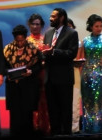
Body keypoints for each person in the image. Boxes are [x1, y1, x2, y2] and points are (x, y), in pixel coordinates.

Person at [42, 7, 79, 136]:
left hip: (64, 78)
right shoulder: (48, 33)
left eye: (53, 16)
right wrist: (41, 54)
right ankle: (55, 132)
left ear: (61, 17)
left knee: (65, 108)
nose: (50, 18)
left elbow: (71, 53)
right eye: (50, 16)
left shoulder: (71, 33)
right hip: (49, 77)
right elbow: (45, 52)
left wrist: (54, 52)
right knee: (52, 109)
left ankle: (66, 134)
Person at [3, 24, 42, 136]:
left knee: (27, 109)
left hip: (28, 84)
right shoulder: (7, 49)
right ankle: (14, 133)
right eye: (17, 40)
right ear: (14, 38)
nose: (20, 43)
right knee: (15, 110)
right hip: (13, 84)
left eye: (22, 40)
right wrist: (9, 72)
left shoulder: (33, 49)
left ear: (25, 37)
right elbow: (3, 66)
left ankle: (27, 133)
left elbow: (39, 65)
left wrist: (31, 72)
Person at [77, 14, 102, 134]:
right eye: (96, 26)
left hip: (101, 75)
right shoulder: (84, 41)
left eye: (101, 26)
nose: (99, 28)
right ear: (91, 27)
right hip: (86, 75)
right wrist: (81, 75)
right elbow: (80, 60)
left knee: (99, 101)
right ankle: (88, 129)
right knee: (87, 102)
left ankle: (99, 129)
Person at [26, 13, 51, 135]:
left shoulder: (45, 40)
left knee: (45, 101)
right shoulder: (26, 41)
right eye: (33, 24)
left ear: (41, 26)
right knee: (31, 101)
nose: (35, 26)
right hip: (30, 77)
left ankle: (45, 127)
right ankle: (33, 127)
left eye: (38, 24)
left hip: (44, 75)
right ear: (29, 25)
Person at [68, 18, 82, 134]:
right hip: (62, 74)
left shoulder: (78, 43)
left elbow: (80, 59)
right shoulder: (57, 42)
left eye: (70, 26)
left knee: (75, 102)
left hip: (75, 73)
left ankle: (75, 128)